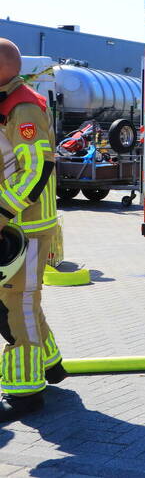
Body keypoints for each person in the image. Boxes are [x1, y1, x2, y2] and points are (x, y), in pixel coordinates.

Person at [0, 38, 66, 421]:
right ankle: (51, 364)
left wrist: (2, 211)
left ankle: (24, 394)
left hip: (22, 227)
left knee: (17, 306)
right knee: (20, 302)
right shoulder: (7, 103)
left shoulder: (22, 108)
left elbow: (36, 169)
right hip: (14, 224)